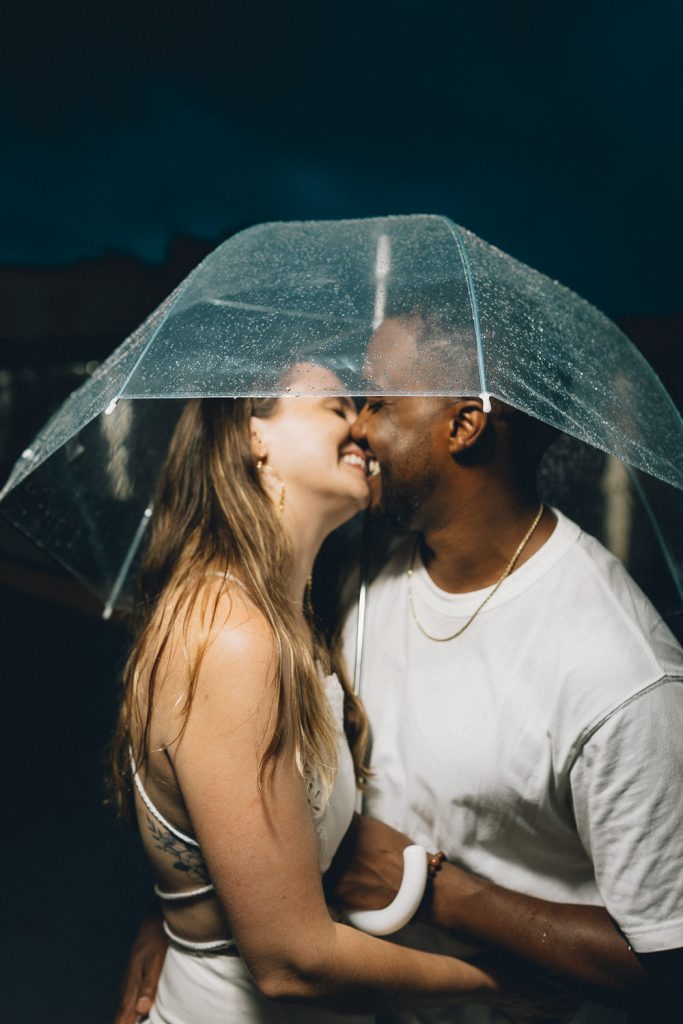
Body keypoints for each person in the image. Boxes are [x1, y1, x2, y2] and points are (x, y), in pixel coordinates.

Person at [116, 322, 683, 1023]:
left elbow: (664, 962)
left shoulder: (620, 669)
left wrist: (435, 890)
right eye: (342, 405)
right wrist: (184, 914)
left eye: (378, 402)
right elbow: (225, 790)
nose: (358, 423)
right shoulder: (351, 569)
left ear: (465, 423)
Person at [109, 362, 506, 1024]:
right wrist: (492, 987)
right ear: (252, 436)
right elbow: (290, 959)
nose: (359, 425)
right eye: (332, 407)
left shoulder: (285, 616)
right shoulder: (232, 638)